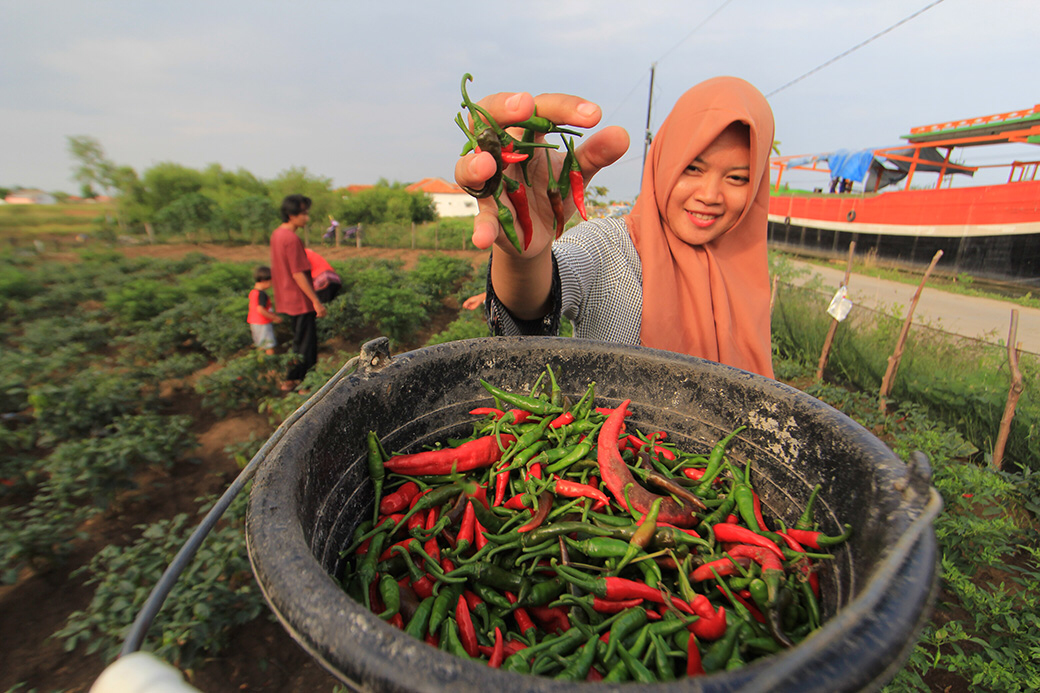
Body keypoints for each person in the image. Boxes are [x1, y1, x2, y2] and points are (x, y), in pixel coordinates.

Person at [455, 76, 775, 378]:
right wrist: (524, 258)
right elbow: (533, 304)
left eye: (737, 178)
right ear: (664, 162)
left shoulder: (746, 274)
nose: (709, 195)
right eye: (692, 168)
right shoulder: (611, 245)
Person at [270, 194, 327, 391]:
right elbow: (298, 274)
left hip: (286, 297)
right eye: (303, 214)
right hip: (299, 299)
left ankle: (291, 379)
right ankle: (303, 383)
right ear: (291, 214)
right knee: (307, 346)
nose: (307, 218)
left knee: (299, 341)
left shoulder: (277, 234)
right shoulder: (291, 239)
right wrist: (316, 301)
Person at [247, 265, 282, 356]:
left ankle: (261, 364)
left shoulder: (253, 292)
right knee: (269, 345)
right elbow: (261, 310)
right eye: (270, 282)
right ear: (263, 281)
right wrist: (274, 317)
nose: (271, 285)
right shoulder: (261, 294)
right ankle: (271, 368)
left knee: (260, 344)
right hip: (262, 323)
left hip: (253, 322)